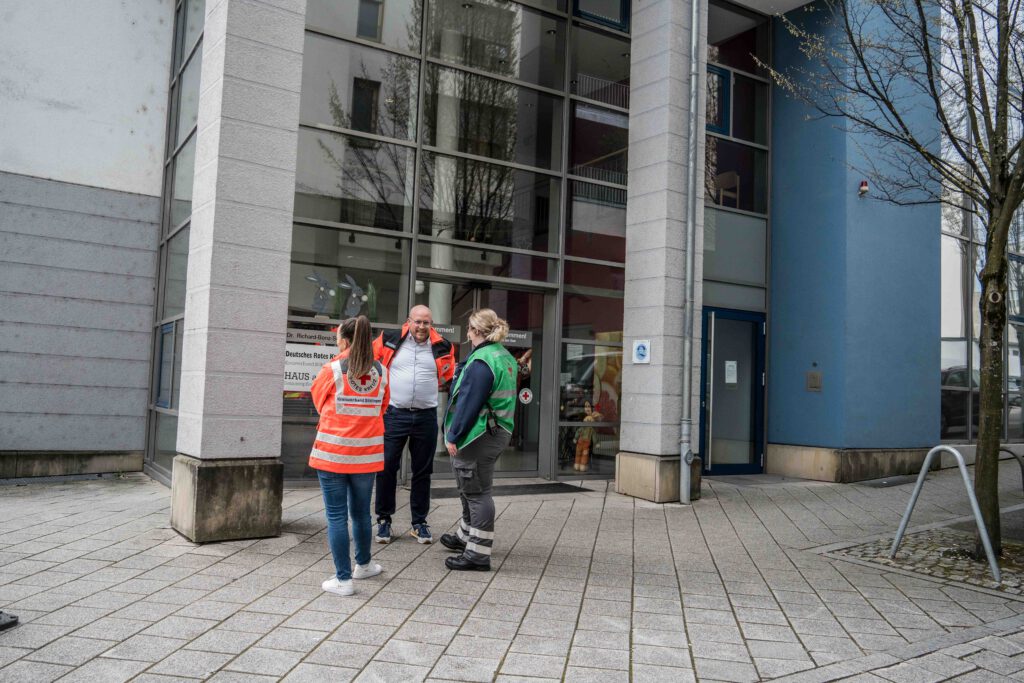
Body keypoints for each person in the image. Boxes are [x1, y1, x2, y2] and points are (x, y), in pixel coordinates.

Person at [308, 315, 389, 596]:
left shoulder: (332, 369)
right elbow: (383, 407)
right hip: (366, 455)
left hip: (333, 453)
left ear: (343, 340)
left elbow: (318, 401)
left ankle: (343, 580)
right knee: (362, 513)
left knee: (336, 516)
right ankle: (363, 565)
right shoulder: (382, 371)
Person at [439, 309, 517, 571]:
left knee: (476, 492)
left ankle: (477, 554)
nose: (467, 333)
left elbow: (469, 403)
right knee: (470, 487)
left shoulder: (483, 360)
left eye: (469, 328)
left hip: (479, 433)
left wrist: (454, 434)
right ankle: (466, 536)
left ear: (475, 331)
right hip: (495, 431)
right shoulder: (502, 355)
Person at [371, 305, 456, 544]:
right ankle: (384, 520)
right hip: (394, 414)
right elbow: (369, 362)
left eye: (426, 322)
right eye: (417, 322)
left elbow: (450, 377)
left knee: (423, 471)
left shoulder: (443, 346)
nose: (421, 327)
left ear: (431, 324)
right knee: (387, 468)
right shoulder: (389, 339)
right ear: (409, 321)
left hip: (426, 416)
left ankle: (419, 523)